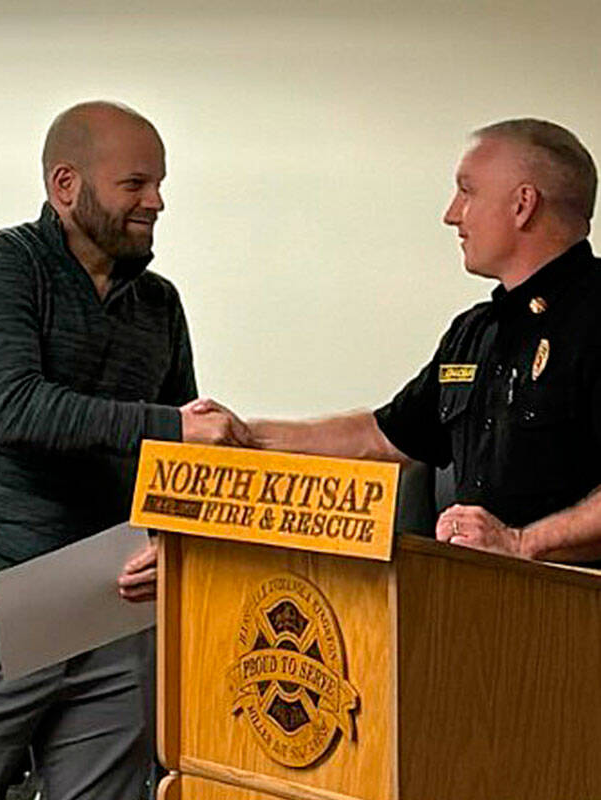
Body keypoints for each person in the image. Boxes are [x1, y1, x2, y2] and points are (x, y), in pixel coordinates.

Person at [0, 101, 248, 800]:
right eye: (135, 182)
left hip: (107, 600)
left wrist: (174, 534)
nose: (155, 201)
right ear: (65, 184)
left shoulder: (159, 303)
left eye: (158, 183)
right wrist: (173, 427)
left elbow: (174, 453)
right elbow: (15, 410)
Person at [242, 119, 601, 563]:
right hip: (478, 604)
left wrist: (522, 543)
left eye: (467, 191)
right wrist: (243, 436)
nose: (452, 214)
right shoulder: (475, 331)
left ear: (522, 205)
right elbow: (382, 437)